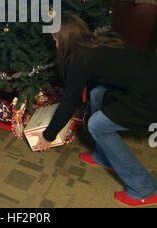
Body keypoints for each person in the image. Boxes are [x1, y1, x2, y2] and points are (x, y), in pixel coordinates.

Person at [34, 14, 157, 207]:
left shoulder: (79, 59)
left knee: (97, 125)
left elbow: (69, 103)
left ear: (65, 39)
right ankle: (104, 155)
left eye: (56, 39)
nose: (55, 44)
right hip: (148, 79)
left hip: (150, 98)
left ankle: (146, 189)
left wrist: (48, 136)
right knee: (97, 93)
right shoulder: (95, 43)